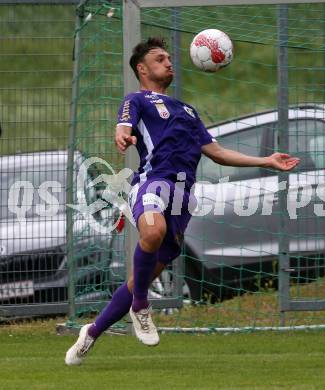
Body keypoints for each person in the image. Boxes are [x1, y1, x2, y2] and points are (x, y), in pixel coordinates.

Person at [65, 37, 300, 365]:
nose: (169, 62)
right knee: (150, 233)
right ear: (142, 69)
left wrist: (266, 161)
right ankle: (141, 307)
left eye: (169, 58)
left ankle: (92, 331)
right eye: (160, 59)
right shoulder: (138, 100)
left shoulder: (188, 110)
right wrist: (123, 136)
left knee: (140, 278)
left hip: (183, 198)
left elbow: (217, 153)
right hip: (151, 183)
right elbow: (123, 126)